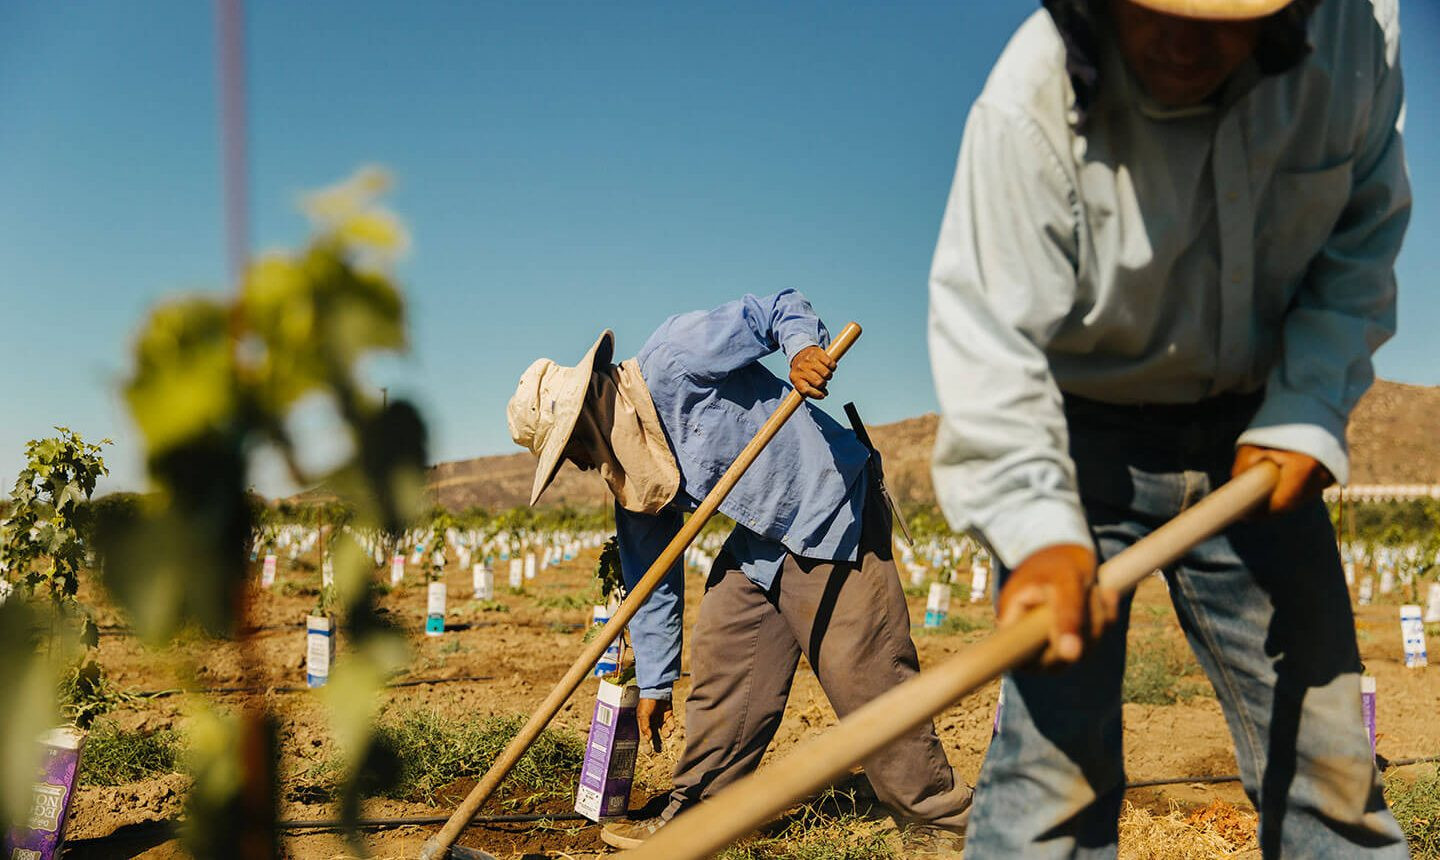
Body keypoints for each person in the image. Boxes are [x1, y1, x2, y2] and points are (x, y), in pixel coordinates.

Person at [928, 0, 1410, 856]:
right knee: (1049, 784)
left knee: (1329, 767)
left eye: (1224, 15)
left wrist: (1307, 408)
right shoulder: (1028, 100)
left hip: (1261, 437)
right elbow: (991, 341)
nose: (1185, 40)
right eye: (1157, 9)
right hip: (1076, 444)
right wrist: (1038, 535)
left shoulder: (1355, 41)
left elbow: (1361, 237)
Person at [507, 290, 972, 855]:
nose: (578, 464)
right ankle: (700, 813)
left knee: (865, 676)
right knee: (724, 655)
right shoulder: (634, 473)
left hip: (828, 507)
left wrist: (801, 350)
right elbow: (651, 580)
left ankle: (942, 820)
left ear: (588, 414)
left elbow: (776, 308)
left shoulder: (674, 357)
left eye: (569, 449)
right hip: (760, 542)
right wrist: (654, 683)